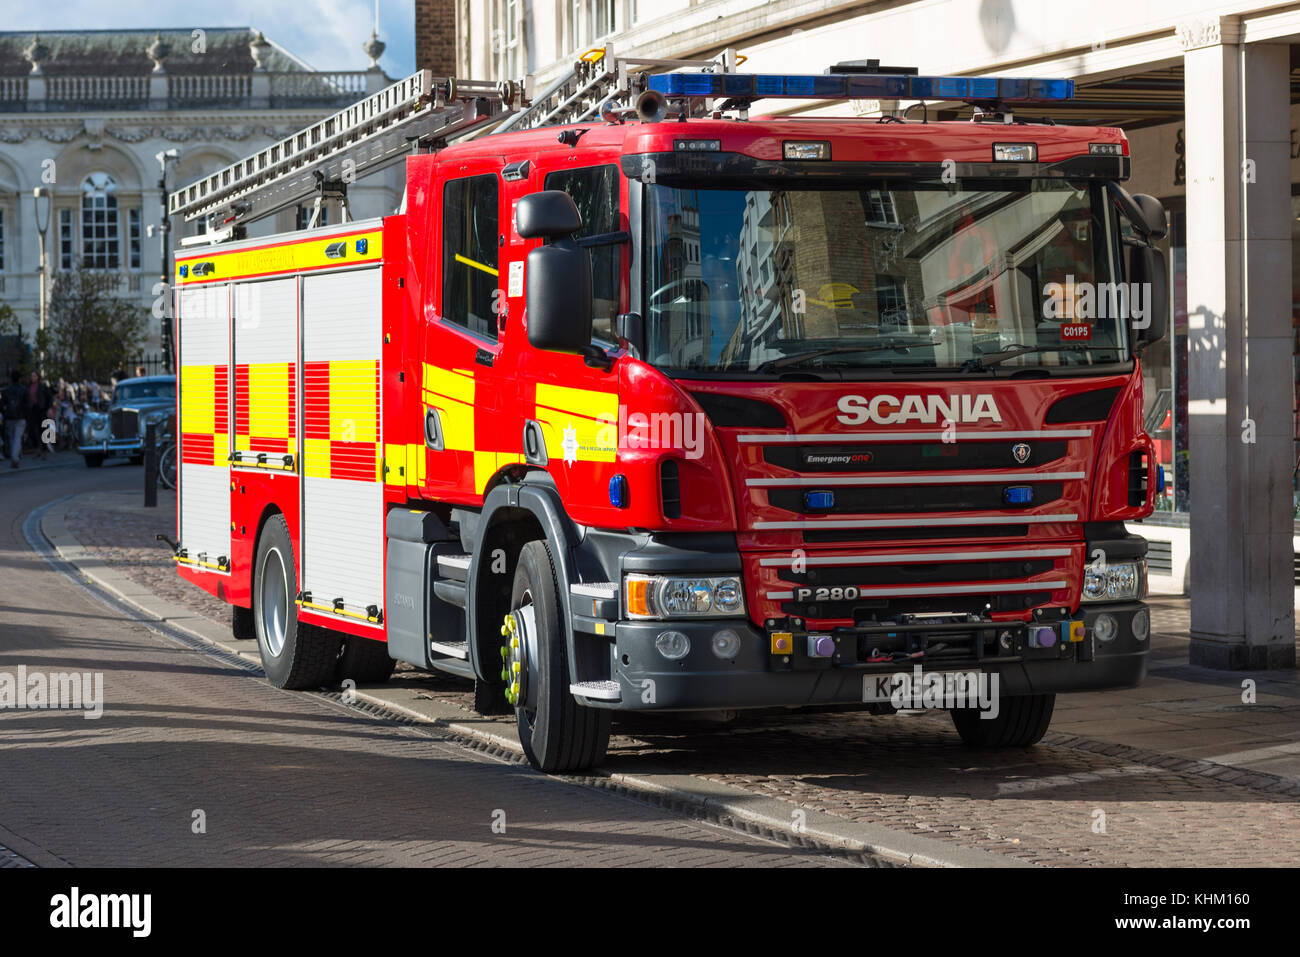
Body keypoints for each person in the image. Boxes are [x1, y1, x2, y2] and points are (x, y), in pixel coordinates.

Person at [3, 370, 29, 468]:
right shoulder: (24, 389)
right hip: (20, 416)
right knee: (17, 437)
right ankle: (15, 457)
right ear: (19, 379)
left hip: (9, 417)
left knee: (12, 437)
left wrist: (5, 414)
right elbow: (28, 404)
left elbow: (2, 405)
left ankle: (14, 456)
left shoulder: (6, 390)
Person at [26, 371, 52, 459]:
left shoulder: (42, 386)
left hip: (41, 409)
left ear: (38, 377)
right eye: (31, 376)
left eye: (34, 376)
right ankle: (37, 448)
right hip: (32, 410)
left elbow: (49, 397)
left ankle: (44, 450)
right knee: (32, 429)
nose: (32, 378)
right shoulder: (29, 386)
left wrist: (48, 408)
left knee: (42, 430)